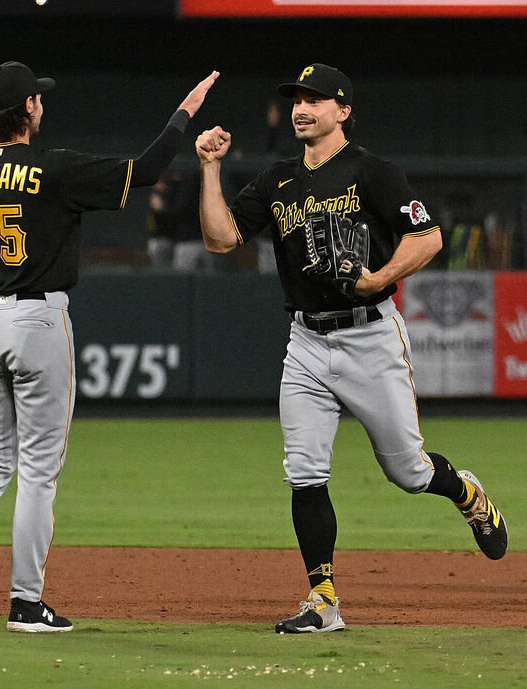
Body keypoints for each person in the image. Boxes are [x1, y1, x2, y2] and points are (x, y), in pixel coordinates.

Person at [194, 63, 508, 634]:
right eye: (296, 99)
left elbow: (429, 236)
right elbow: (220, 239)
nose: (301, 108)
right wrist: (209, 169)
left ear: (343, 111)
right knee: (304, 471)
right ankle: (323, 601)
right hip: (307, 341)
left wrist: (375, 277)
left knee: (409, 472)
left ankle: (466, 491)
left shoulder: (373, 173)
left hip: (370, 335)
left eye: (316, 99)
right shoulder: (277, 180)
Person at [0, 62, 219, 632]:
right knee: (37, 471)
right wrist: (185, 110)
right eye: (38, 99)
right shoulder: (54, 168)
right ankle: (25, 603)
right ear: (28, 109)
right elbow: (148, 170)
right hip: (37, 319)